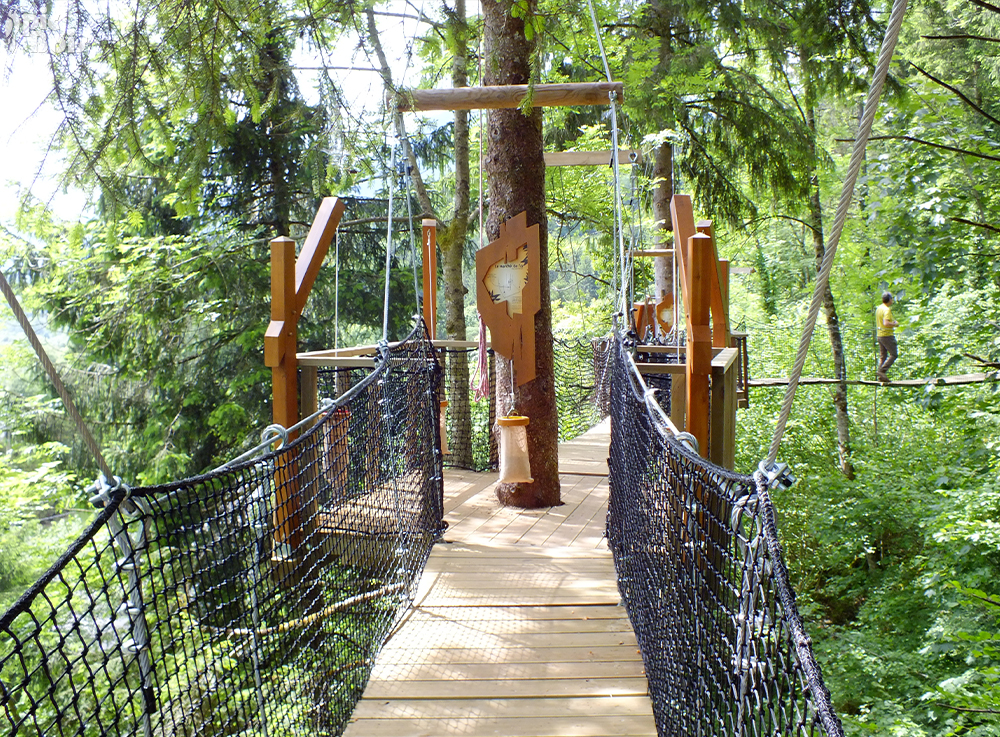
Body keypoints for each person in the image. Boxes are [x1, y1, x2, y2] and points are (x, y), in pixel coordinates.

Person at [875, 291, 899, 381]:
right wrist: (895, 324)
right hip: (887, 335)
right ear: (890, 300)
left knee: (883, 356)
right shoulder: (887, 310)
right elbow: (886, 323)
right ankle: (882, 371)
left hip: (880, 335)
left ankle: (881, 376)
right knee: (894, 354)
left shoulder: (879, 308)